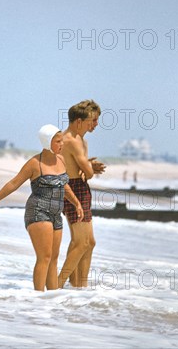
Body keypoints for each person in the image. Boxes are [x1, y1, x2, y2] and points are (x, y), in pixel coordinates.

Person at [0, 125, 84, 291]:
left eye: (62, 141)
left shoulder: (61, 160)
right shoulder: (34, 164)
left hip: (56, 213)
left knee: (54, 258)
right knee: (44, 257)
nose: (62, 144)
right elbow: (14, 183)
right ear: (47, 142)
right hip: (38, 210)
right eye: (58, 141)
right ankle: (37, 301)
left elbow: (64, 186)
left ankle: (51, 299)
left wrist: (76, 203)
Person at [58, 100, 105, 289]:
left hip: (80, 187)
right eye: (92, 121)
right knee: (82, 242)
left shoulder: (81, 140)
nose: (95, 125)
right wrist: (90, 167)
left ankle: (78, 286)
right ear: (79, 121)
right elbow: (88, 172)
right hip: (73, 189)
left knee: (88, 242)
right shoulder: (70, 140)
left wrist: (87, 167)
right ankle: (57, 283)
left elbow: (85, 171)